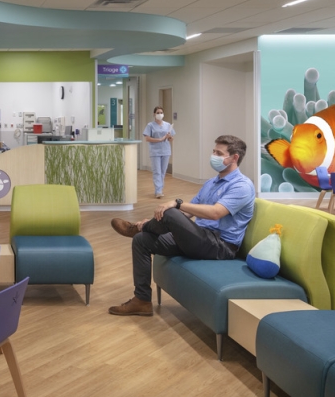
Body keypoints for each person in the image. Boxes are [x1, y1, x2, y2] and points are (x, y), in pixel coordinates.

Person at [108, 135, 255, 316]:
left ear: (234, 158)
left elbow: (216, 212)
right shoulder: (211, 183)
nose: (213, 156)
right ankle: (142, 301)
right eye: (213, 151)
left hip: (220, 246)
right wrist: (156, 220)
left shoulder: (242, 186)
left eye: (219, 153)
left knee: (171, 211)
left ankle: (138, 227)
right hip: (200, 237)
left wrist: (176, 204)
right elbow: (188, 213)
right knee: (141, 240)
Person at [143, 106, 175, 198]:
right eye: (158, 113)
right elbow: (147, 138)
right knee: (157, 171)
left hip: (166, 151)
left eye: (161, 112)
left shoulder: (168, 125)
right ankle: (158, 191)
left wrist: (169, 137)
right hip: (155, 151)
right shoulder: (150, 125)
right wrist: (160, 139)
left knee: (163, 172)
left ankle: (160, 189)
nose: (160, 114)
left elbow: (171, 139)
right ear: (154, 114)